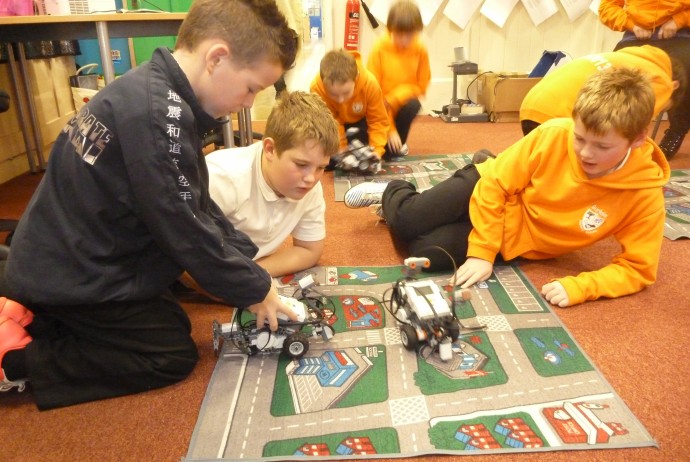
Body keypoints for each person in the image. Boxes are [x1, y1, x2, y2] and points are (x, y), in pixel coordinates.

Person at [0, 0, 299, 409]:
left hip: (70, 253)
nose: (249, 103)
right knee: (169, 354)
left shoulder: (156, 92)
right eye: (251, 88)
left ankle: (34, 313)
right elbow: (184, 227)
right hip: (71, 274)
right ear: (216, 58)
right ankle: (17, 358)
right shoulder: (159, 119)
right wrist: (254, 288)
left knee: (169, 317)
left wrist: (246, 267)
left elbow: (195, 201)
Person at [345, 67, 669, 308]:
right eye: (580, 138)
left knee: (423, 250)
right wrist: (482, 252)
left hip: (517, 233)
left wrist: (583, 287)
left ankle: (476, 170)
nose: (585, 153)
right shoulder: (554, 134)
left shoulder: (644, 193)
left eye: (602, 146)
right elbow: (495, 185)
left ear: (638, 139)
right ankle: (393, 189)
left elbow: (638, 269)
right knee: (406, 220)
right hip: (487, 183)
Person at [204, 91, 339, 278]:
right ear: (270, 149)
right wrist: (241, 281)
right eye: (301, 164)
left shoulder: (309, 184)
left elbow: (309, 250)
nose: (311, 179)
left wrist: (252, 275)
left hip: (234, 272)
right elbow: (185, 257)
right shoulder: (222, 179)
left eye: (321, 167)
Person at [520, 45, 684, 136]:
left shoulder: (632, 58)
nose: (657, 113)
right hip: (560, 115)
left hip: (532, 105)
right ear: (674, 86)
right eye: (663, 108)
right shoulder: (662, 81)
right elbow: (631, 130)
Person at [599, 0, 690, 159]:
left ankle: (677, 129)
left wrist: (679, 21)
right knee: (613, 74)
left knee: (687, 70)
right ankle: (613, 132)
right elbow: (607, 7)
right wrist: (631, 24)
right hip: (635, 35)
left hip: (680, 33)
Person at [367, 0, 430, 159]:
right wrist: (390, 129)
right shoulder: (379, 48)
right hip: (378, 113)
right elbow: (373, 96)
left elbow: (421, 87)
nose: (404, 40)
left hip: (398, 107)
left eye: (409, 35)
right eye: (398, 34)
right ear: (390, 30)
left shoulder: (420, 49)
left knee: (413, 105)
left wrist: (395, 97)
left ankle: (395, 145)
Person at [310, 49, 389, 164]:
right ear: (323, 83)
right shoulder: (316, 89)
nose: (340, 100)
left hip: (360, 122)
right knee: (325, 159)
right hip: (332, 127)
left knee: (380, 151)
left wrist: (376, 150)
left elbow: (377, 121)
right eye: (333, 94)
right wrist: (341, 149)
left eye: (346, 93)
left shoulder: (370, 84)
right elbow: (330, 123)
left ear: (355, 79)